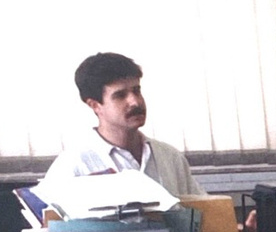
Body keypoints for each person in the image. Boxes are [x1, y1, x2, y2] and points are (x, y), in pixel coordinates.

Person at [44, 52, 204, 197]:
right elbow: (51, 224)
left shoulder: (169, 157)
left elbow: (203, 213)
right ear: (95, 105)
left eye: (136, 90)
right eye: (120, 95)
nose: (135, 102)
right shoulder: (73, 165)